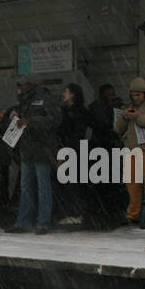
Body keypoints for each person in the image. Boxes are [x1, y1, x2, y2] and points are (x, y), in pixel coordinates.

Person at [3, 74, 59, 235]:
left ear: (31, 84)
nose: (20, 88)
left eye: (23, 85)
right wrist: (12, 118)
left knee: (43, 187)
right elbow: (17, 120)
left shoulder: (44, 97)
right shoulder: (23, 100)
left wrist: (31, 121)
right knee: (26, 186)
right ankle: (24, 221)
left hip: (42, 149)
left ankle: (43, 222)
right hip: (26, 149)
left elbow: (55, 119)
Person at [55, 83, 92, 226]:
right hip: (72, 149)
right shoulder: (73, 110)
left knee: (73, 184)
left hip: (72, 149)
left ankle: (75, 212)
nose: (64, 94)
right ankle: (74, 212)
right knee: (71, 183)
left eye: (66, 91)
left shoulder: (76, 112)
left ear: (72, 94)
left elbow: (73, 132)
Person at [115, 77, 145, 224]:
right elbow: (118, 128)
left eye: (138, 95)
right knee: (132, 184)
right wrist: (124, 117)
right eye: (133, 95)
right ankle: (133, 213)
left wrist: (137, 117)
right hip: (131, 149)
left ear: (144, 94)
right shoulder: (128, 107)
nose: (136, 98)